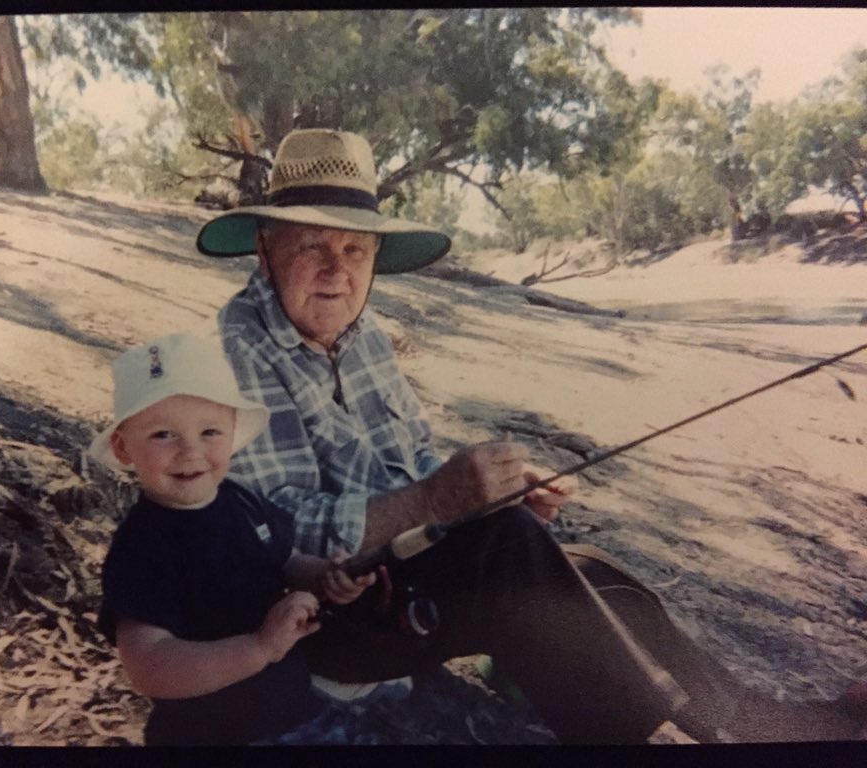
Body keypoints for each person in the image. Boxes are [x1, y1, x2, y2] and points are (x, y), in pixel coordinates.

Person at [195, 128, 867, 743]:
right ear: (264, 248)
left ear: (374, 257)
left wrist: (483, 495)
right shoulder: (238, 351)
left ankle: (756, 722)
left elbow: (415, 462)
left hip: (403, 573)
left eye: (353, 248)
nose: (336, 269)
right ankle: (638, 733)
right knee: (510, 549)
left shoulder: (362, 334)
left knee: (594, 574)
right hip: (318, 626)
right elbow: (275, 532)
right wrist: (436, 503)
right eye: (311, 244)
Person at [91, 332, 377, 746]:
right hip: (214, 732)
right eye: (162, 435)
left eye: (209, 431)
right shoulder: (144, 547)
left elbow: (285, 560)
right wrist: (258, 648)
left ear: (232, 431)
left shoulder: (239, 499)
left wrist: (329, 575)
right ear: (123, 447)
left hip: (295, 708)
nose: (190, 451)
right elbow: (148, 665)